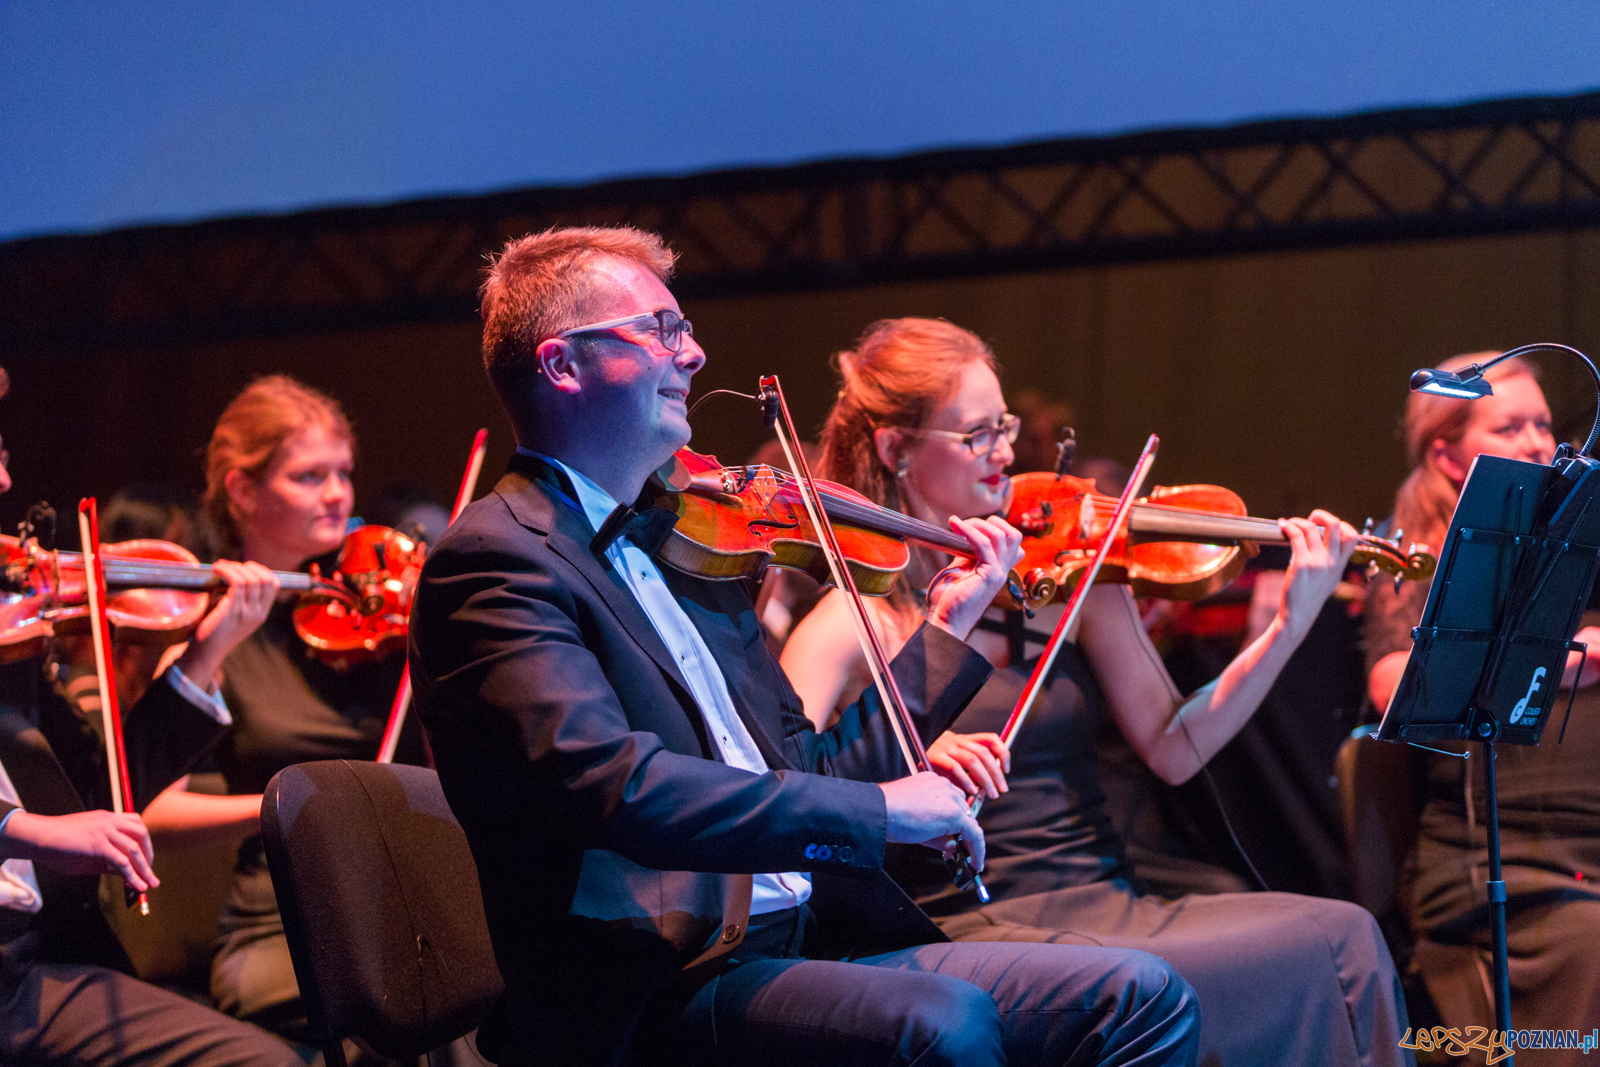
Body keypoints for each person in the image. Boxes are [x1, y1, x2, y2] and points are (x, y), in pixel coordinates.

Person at [408, 226, 1201, 1067]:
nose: (697, 354)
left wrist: (944, 630)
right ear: (564, 365)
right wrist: (887, 812)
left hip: (811, 936)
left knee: (1138, 998)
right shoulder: (496, 562)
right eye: (664, 331)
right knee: (945, 1025)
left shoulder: (692, 543)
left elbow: (809, 767)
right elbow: (620, 790)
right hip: (661, 983)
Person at [780, 317, 1412, 1067]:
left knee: (1341, 935)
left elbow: (1175, 747)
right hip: (968, 922)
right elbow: (783, 791)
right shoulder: (852, 621)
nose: (1007, 454)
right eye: (977, 434)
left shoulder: (1066, 581)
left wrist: (1285, 626)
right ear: (897, 450)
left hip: (1109, 897)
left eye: (1005, 426)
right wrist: (902, 771)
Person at [0, 371, 301, 1066]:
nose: (7, 487)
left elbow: (101, 792)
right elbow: (54, 825)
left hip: (31, 962)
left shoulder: (15, 636)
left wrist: (207, 651)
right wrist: (34, 832)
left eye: (6, 458)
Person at [138, 376, 424, 1043]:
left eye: (343, 473)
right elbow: (151, 810)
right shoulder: (206, 627)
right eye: (309, 475)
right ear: (242, 491)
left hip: (408, 898)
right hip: (288, 922)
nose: (337, 495)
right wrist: (291, 803)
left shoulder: (378, 618)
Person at [1365, 352, 1600, 1060]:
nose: (1537, 442)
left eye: (1543, 423)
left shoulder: (1575, 542)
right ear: (1447, 454)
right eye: (1510, 426)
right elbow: (1390, 682)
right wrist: (1552, 658)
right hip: (1499, 861)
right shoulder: (1415, 554)